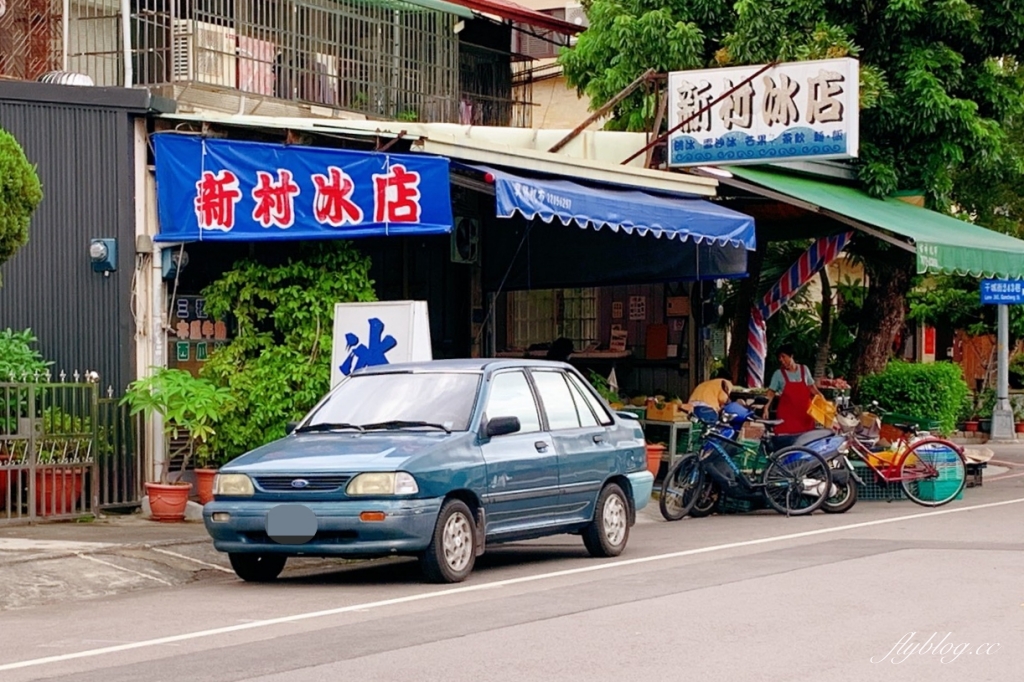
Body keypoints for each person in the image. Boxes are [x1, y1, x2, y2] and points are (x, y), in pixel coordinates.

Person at [763, 343, 822, 435]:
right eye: (779, 358)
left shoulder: (804, 369)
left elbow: (813, 389)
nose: (781, 360)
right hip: (787, 418)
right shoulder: (778, 374)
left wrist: (823, 401)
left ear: (791, 356)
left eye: (783, 356)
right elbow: (771, 393)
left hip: (805, 418)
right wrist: (765, 408)